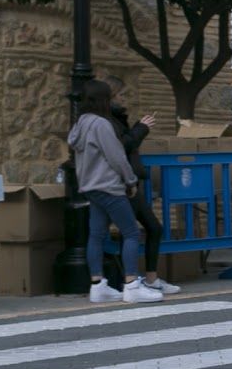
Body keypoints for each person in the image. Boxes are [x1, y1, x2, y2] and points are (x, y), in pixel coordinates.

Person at [69, 80, 163, 304]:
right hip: (109, 186)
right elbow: (117, 156)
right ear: (102, 100)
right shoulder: (101, 125)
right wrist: (130, 180)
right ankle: (131, 285)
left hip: (90, 186)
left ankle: (98, 285)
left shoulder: (79, 124)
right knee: (130, 232)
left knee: (96, 235)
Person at [106, 85, 177, 296]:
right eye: (120, 95)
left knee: (150, 229)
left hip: (128, 182)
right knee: (133, 232)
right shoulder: (109, 122)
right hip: (122, 184)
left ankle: (144, 279)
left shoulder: (116, 119)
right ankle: (131, 282)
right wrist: (141, 128)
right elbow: (122, 147)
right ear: (109, 98)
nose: (124, 99)